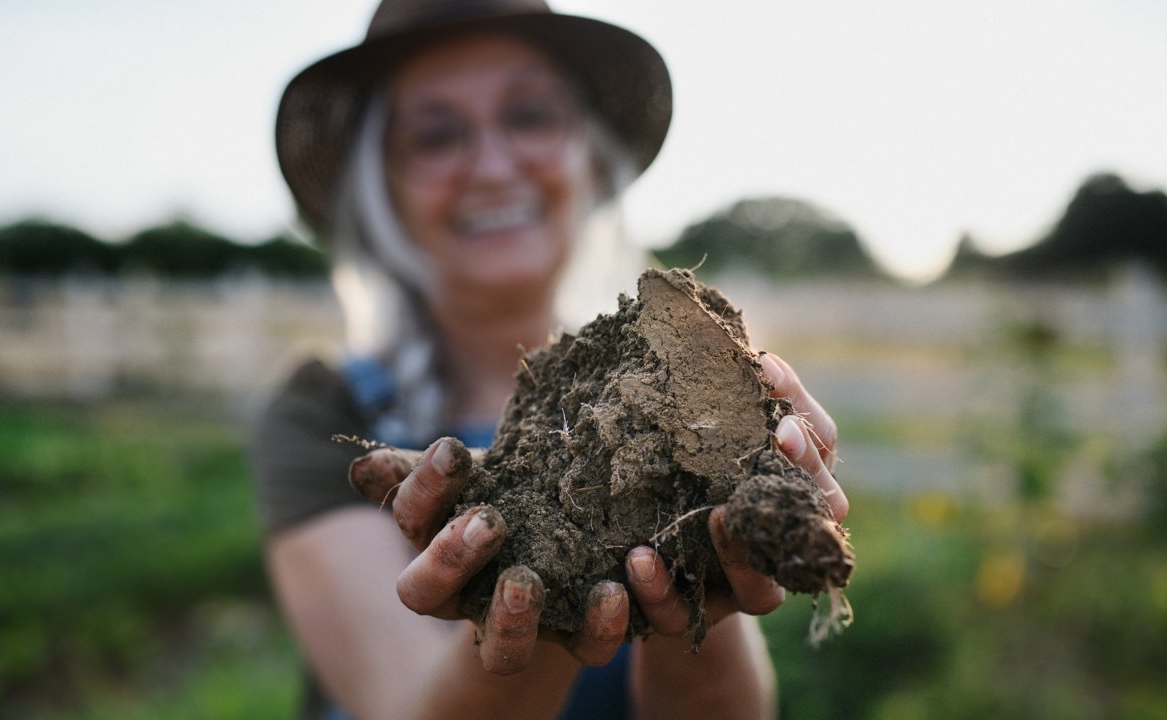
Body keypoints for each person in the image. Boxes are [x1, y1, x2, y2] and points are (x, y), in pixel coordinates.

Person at [253, 1, 848, 718]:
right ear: (385, 187)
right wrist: (540, 583)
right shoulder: (326, 411)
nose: (494, 166)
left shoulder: (671, 385)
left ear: (588, 153)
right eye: (437, 135)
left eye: (530, 115)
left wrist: (703, 565)